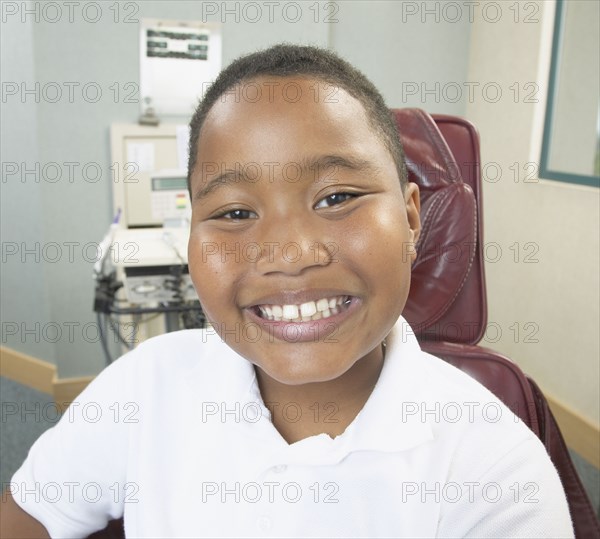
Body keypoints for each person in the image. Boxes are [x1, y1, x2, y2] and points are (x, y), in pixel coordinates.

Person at [1, 44, 574, 538]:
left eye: (336, 197)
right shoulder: (142, 389)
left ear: (410, 218)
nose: (290, 254)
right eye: (234, 211)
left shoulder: (493, 470)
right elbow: (35, 513)